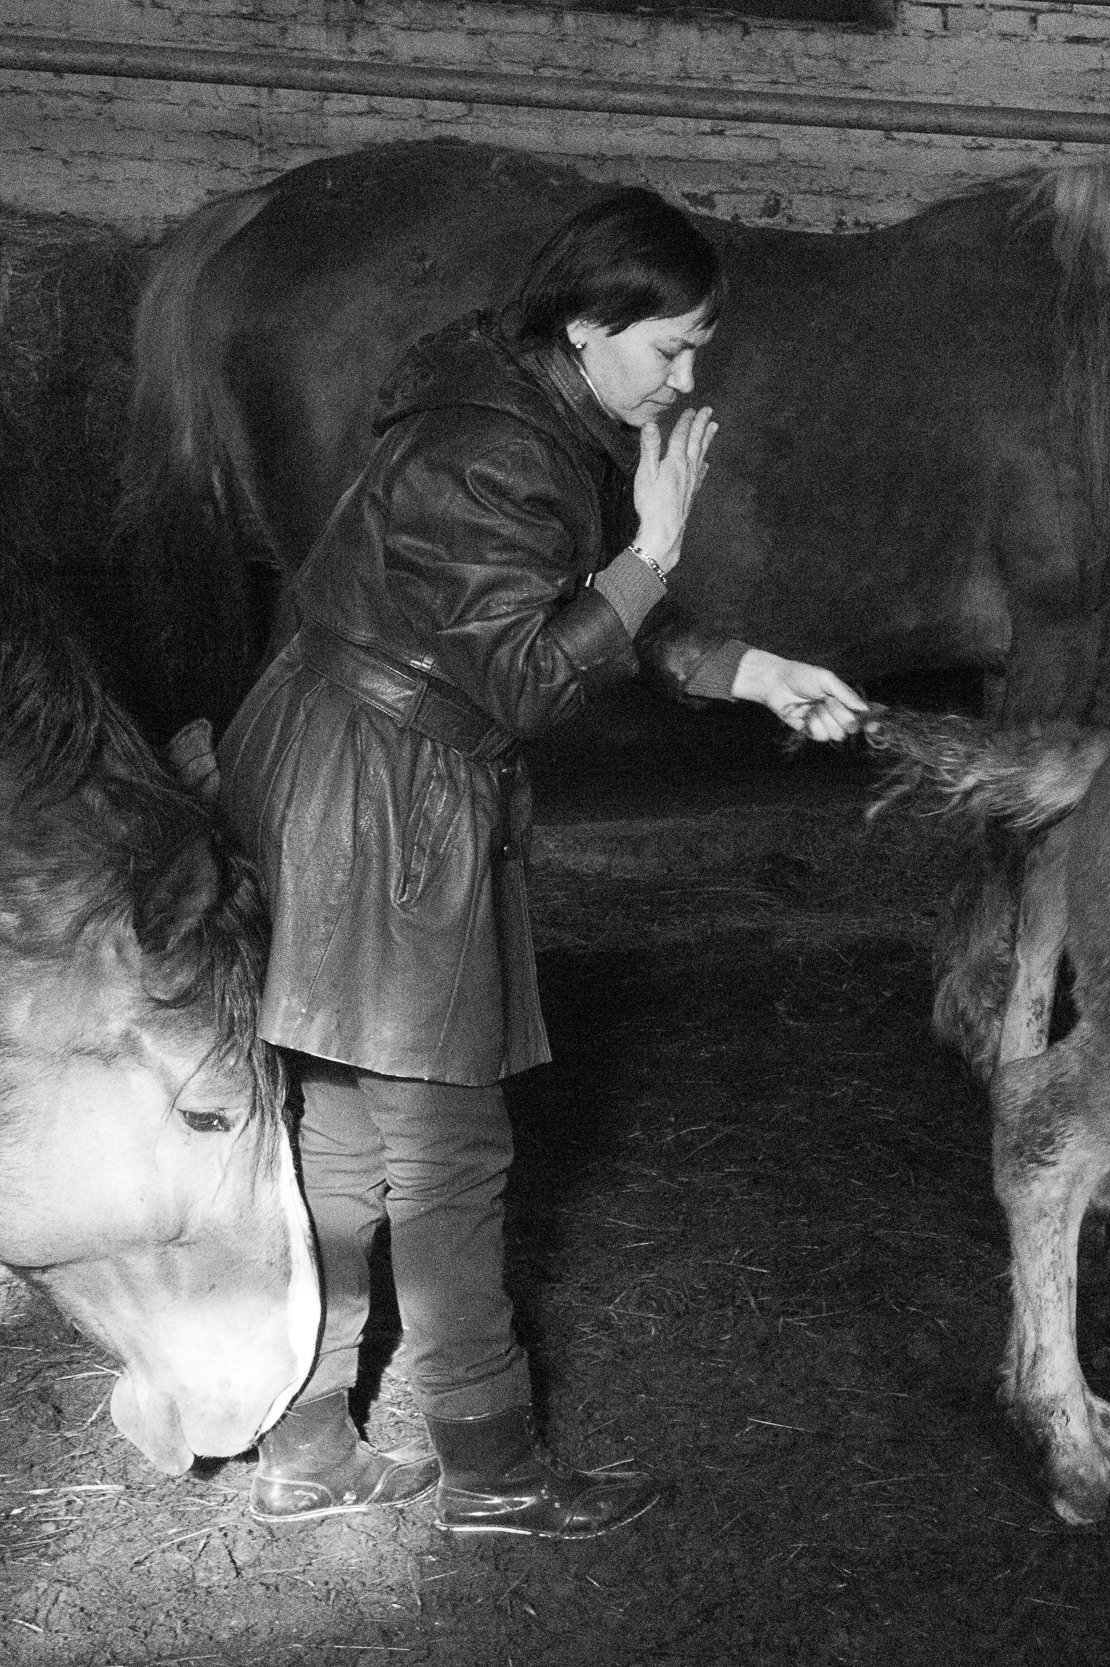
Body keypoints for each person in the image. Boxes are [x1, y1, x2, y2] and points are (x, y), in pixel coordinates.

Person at [219, 187, 865, 1539]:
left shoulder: (534, 408)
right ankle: (494, 1469)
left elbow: (598, 613)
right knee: (448, 1146)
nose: (687, 379)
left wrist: (755, 670)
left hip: (360, 755)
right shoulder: (489, 452)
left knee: (344, 1128)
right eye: (670, 350)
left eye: (697, 351)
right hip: (385, 788)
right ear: (588, 322)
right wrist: (657, 542)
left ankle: (305, 1436)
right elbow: (525, 674)